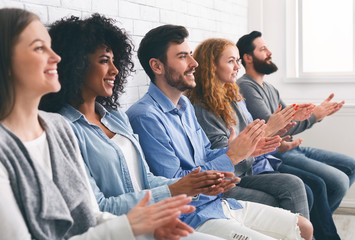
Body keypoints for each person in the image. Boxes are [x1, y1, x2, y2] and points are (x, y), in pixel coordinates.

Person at [0, 8, 199, 240]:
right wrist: (131, 225)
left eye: (51, 47)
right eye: (38, 47)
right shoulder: (50, 132)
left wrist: (147, 226)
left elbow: (87, 213)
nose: (55, 58)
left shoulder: (56, 127)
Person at [39, 14, 230, 240]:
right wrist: (174, 190)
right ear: (76, 65)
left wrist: (193, 186)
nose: (115, 70)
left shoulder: (116, 118)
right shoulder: (64, 129)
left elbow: (145, 180)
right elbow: (97, 207)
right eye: (104, 61)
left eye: (114, 61)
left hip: (155, 225)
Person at [126, 24, 313, 240]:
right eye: (182, 57)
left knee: (304, 227)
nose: (194, 63)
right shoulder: (145, 117)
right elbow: (175, 185)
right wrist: (232, 156)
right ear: (157, 66)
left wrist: (242, 151)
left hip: (218, 202)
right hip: (193, 216)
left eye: (191, 56)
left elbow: (205, 154)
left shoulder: (184, 105)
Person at [236, 30, 355, 240]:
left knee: (351, 166)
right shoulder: (245, 87)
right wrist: (314, 116)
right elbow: (275, 125)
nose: (269, 52)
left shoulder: (270, 88)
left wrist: (315, 113)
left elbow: (291, 121)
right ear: (247, 57)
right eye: (263, 49)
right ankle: (321, 228)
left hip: (293, 147)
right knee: (336, 182)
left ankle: (318, 223)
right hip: (278, 153)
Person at [185, 38, 311, 219]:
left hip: (250, 169)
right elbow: (227, 158)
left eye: (237, 61)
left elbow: (251, 141)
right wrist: (268, 129)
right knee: (291, 188)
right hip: (230, 178)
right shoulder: (202, 107)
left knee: (300, 186)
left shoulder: (233, 96)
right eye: (231, 61)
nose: (238, 66)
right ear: (211, 66)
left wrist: (273, 137)